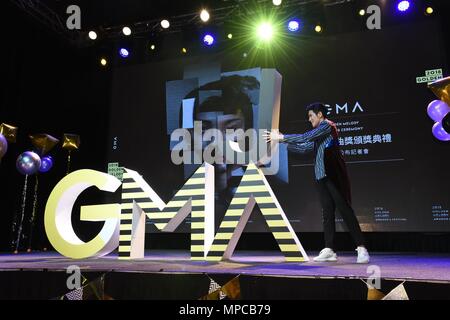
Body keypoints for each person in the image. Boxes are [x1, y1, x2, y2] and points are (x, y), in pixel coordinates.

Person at [263, 103, 370, 264]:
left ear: (320, 115)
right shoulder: (319, 135)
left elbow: (305, 137)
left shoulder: (327, 126)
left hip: (334, 175)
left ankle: (361, 248)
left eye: (311, 116)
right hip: (321, 177)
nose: (309, 119)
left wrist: (282, 137)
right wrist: (281, 143)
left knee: (344, 210)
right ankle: (329, 249)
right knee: (327, 214)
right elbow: (304, 148)